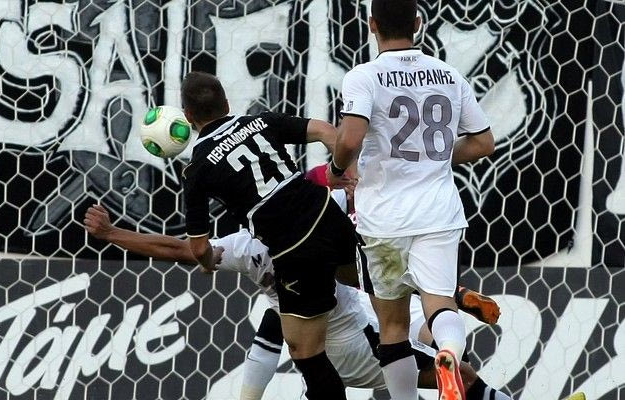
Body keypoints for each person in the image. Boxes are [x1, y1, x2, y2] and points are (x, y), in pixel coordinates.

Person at [83, 201, 510, 400]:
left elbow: (179, 249)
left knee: (280, 317)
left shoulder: (242, 247)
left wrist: (111, 234)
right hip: (363, 342)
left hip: (316, 358)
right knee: (459, 374)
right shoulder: (312, 223)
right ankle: (446, 307)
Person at [328, 1, 496, 399]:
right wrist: (432, 158)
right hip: (438, 213)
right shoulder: (448, 74)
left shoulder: (364, 76)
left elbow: (350, 138)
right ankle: (449, 353)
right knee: (440, 305)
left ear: (372, 25)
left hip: (382, 220)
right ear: (418, 23)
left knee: (393, 328)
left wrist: (336, 168)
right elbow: (483, 142)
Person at [180, 71, 357, 399]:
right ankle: (442, 316)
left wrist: (207, 261)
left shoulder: (198, 168)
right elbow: (325, 130)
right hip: (327, 214)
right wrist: (343, 172)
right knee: (371, 283)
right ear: (227, 104)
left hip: (295, 247)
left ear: (188, 116)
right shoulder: (260, 122)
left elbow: (199, 247)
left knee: (305, 351)